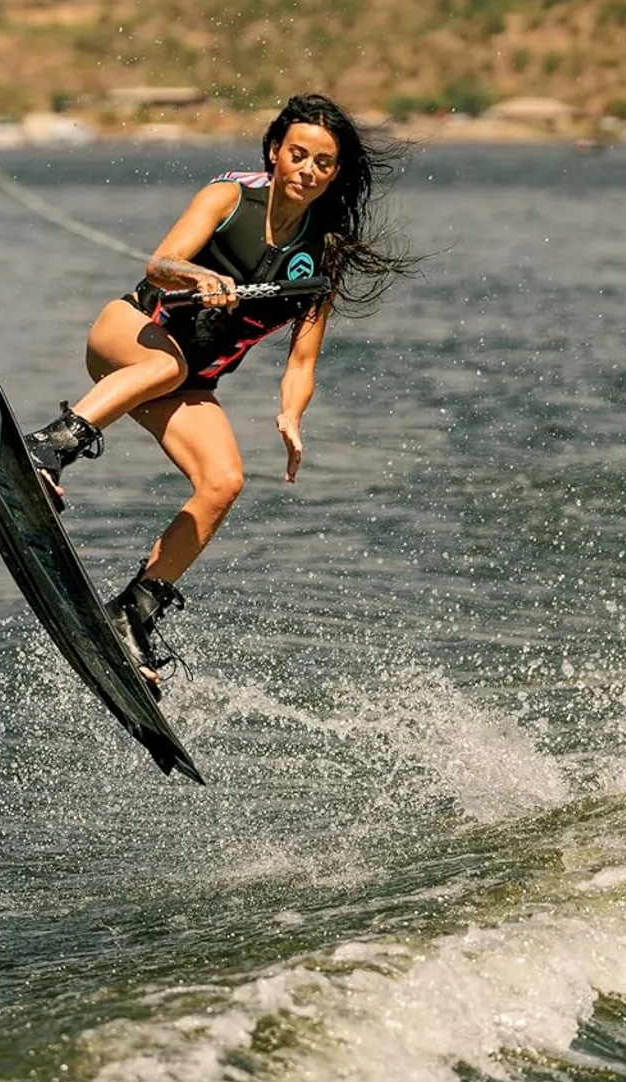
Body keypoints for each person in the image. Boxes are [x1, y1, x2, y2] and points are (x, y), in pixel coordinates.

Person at [23, 93, 413, 693]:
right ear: (275, 153)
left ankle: (131, 614)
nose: (307, 170)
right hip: (131, 334)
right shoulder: (228, 198)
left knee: (224, 480)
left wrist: (291, 412)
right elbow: (162, 263)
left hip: (185, 380)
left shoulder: (321, 257)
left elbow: (302, 360)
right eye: (297, 155)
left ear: (336, 174)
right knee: (167, 366)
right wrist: (198, 276)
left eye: (323, 163)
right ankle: (49, 448)